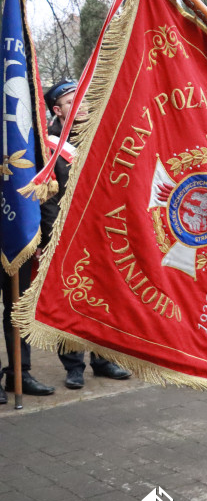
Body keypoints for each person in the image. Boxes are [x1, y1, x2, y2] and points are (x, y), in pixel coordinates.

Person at [40, 79, 132, 390]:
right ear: (58, 110)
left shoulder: (103, 136)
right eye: (70, 102)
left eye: (82, 99)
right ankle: (73, 365)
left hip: (105, 232)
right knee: (69, 300)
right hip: (68, 236)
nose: (79, 106)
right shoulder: (49, 146)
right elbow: (50, 198)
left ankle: (104, 359)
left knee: (105, 297)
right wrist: (54, 238)